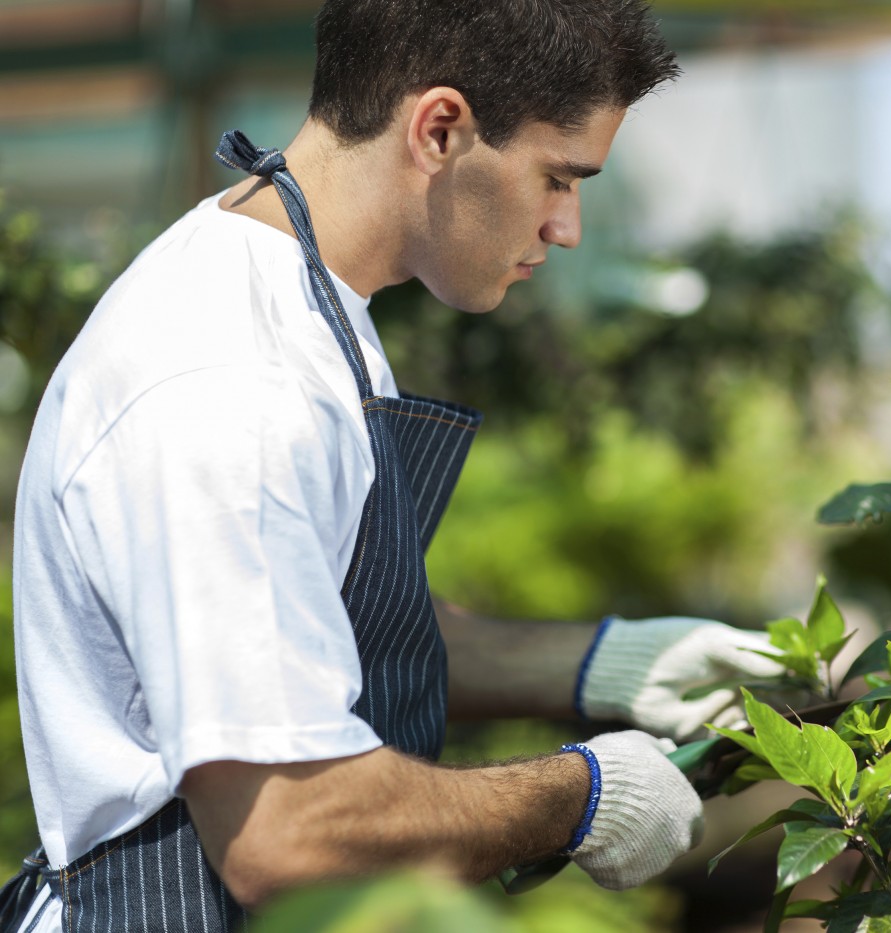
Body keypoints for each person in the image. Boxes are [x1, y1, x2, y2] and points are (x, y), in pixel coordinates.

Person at [0, 1, 783, 930]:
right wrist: (579, 796)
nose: (567, 226)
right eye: (558, 178)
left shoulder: (301, 300)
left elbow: (321, 625)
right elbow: (287, 827)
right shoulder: (230, 384)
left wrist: (604, 662)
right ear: (440, 129)